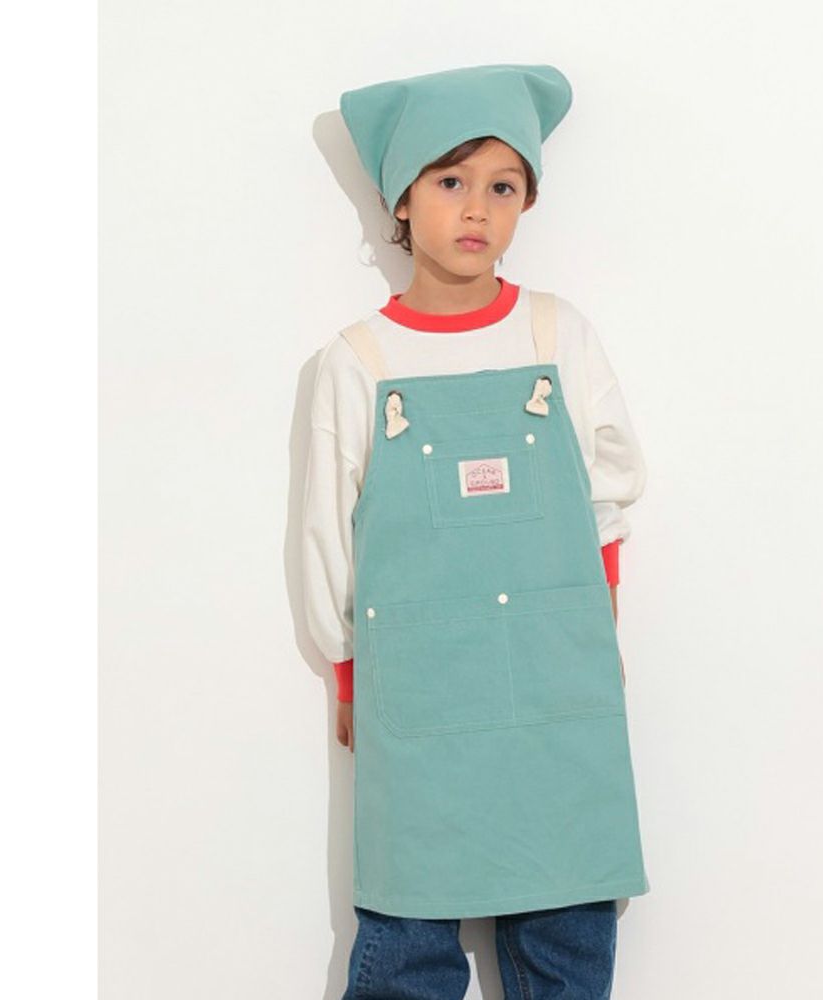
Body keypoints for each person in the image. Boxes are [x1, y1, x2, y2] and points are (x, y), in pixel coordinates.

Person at [304, 63, 650, 999]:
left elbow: (607, 494)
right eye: (451, 180)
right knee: (410, 933)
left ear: (526, 202)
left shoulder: (557, 335)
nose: (476, 209)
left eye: (503, 187)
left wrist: (599, 628)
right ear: (401, 199)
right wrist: (347, 669)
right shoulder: (359, 362)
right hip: (419, 688)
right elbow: (326, 534)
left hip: (558, 677)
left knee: (567, 917)